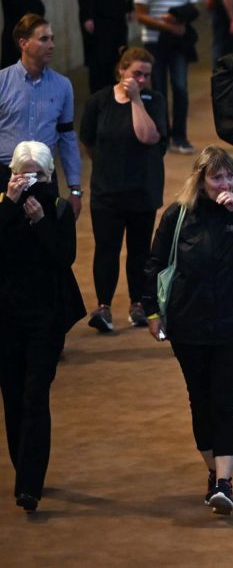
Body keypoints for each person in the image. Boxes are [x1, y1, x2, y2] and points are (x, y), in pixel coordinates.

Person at [143, 145, 233, 515]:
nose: (224, 183)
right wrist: (152, 311)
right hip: (189, 325)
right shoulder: (178, 215)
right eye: (216, 177)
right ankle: (213, 472)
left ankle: (224, 482)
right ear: (200, 181)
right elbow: (154, 264)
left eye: (229, 175)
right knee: (199, 402)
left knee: (225, 402)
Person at [0, 141, 84, 512]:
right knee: (13, 395)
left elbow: (63, 257)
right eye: (23, 172)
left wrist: (40, 222)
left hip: (46, 317)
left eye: (37, 173)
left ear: (49, 176)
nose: (29, 181)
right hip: (6, 316)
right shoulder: (3, 207)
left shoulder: (59, 208)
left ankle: (29, 484)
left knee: (36, 395)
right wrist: (9, 206)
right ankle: (24, 466)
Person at [79, 46, 166, 332]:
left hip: (142, 190)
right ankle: (103, 306)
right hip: (107, 192)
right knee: (107, 249)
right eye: (136, 74)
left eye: (146, 75)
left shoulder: (154, 100)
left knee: (139, 251)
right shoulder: (98, 102)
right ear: (121, 70)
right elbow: (88, 142)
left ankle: (138, 304)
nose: (141, 79)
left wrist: (137, 100)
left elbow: (148, 136)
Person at [0, 15, 83, 217]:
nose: (52, 45)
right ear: (23, 43)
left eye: (52, 39)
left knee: (46, 242)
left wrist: (74, 189)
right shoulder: (2, 82)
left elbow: (67, 137)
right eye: (44, 39)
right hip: (5, 176)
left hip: (44, 179)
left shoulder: (63, 86)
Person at [134, 0, 200, 154]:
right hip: (154, 43)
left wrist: (178, 19)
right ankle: (161, 134)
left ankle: (180, 137)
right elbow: (141, 15)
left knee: (180, 88)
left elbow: (193, 6)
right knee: (158, 89)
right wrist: (168, 25)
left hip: (178, 43)